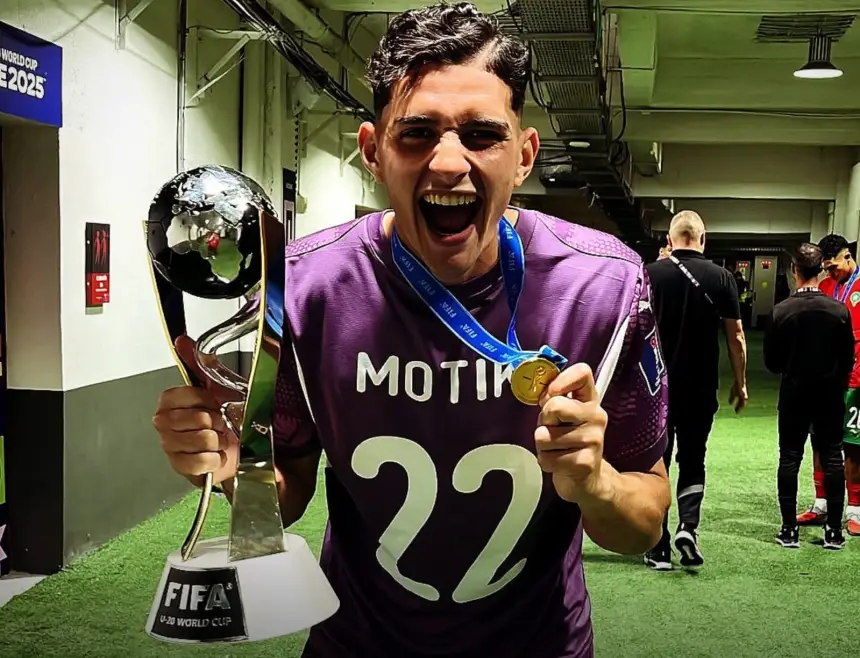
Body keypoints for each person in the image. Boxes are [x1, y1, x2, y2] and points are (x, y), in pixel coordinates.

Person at [151, 5, 671, 657]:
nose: (449, 163)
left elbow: (644, 524)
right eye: (417, 133)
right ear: (373, 151)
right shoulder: (302, 289)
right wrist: (238, 468)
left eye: (482, 135)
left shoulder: (606, 286)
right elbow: (286, 494)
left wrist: (598, 485)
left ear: (524, 156)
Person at [644, 210, 748, 570]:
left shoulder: (649, 274)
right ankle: (688, 527)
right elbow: (736, 337)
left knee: (657, 462)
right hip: (700, 387)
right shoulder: (722, 277)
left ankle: (657, 544)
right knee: (693, 458)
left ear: (669, 241)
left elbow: (632, 331)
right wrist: (740, 382)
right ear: (703, 239)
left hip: (656, 387)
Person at [764, 244, 851, 549]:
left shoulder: (781, 311)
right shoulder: (839, 310)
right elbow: (848, 359)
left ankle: (789, 530)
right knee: (833, 457)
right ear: (820, 270)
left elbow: (772, 363)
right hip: (830, 394)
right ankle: (834, 532)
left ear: (795, 271)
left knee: (789, 457)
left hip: (794, 393)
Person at [799, 233, 860, 536]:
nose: (831, 273)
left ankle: (855, 508)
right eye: (827, 268)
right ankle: (821, 503)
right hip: (823, 379)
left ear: (848, 257)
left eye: (834, 267)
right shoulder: (823, 287)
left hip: (855, 380)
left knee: (853, 444)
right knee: (819, 439)